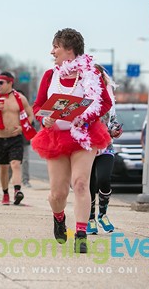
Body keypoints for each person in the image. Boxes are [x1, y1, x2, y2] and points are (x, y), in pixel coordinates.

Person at [31, 28, 112, 253]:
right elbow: (38, 106)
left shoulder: (91, 74)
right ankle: (58, 218)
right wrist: (43, 118)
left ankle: (81, 234)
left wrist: (84, 116)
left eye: (55, 46)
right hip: (55, 136)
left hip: (84, 135)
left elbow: (105, 103)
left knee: (80, 183)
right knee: (58, 193)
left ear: (69, 49)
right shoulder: (50, 75)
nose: (52, 51)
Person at [0, 72, 35, 206]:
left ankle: (17, 191)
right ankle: (5, 193)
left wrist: (23, 128)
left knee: (16, 164)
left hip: (15, 138)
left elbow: (30, 115)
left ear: (10, 83)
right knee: (4, 168)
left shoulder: (20, 98)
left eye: (1, 83)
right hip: (0, 138)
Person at [87, 64, 123, 234]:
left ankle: (103, 214)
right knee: (89, 184)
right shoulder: (83, 93)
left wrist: (116, 129)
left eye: (98, 75)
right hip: (86, 146)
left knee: (104, 179)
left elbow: (113, 119)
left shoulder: (108, 95)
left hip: (106, 145)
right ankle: (90, 218)